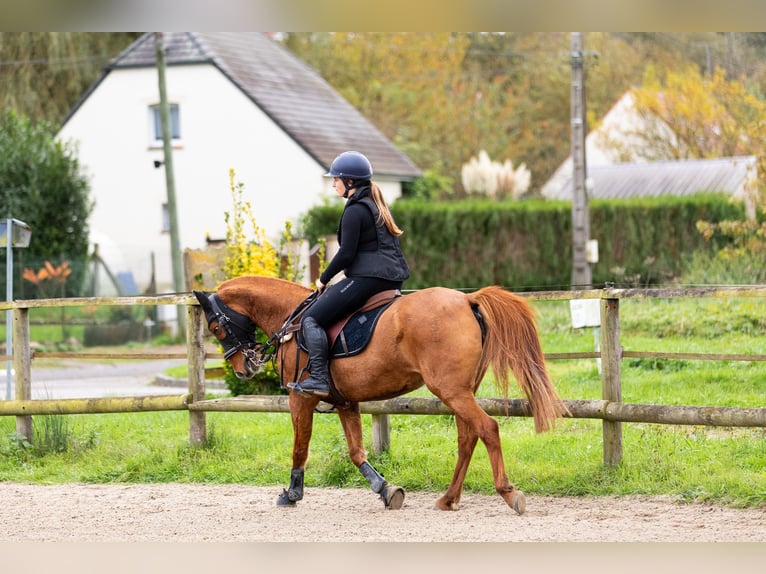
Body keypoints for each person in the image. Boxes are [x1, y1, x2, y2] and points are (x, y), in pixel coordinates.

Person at [288, 151, 410, 398]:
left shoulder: (355, 209)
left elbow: (346, 254)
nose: (333, 183)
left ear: (350, 182)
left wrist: (323, 278)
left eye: (336, 179)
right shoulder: (374, 204)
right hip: (388, 278)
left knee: (310, 319)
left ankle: (320, 379)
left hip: (369, 279)